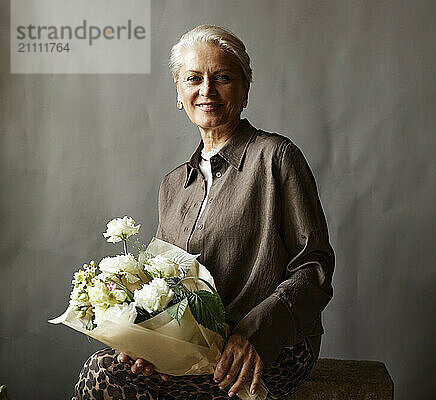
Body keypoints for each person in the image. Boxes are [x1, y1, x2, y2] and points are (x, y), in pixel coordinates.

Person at [72, 25, 335, 400]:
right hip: (198, 348)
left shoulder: (276, 157)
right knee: (109, 366)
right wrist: (148, 340)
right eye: (194, 78)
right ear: (179, 93)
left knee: (102, 375)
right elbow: (167, 289)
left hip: (272, 349)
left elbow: (315, 267)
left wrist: (255, 336)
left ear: (244, 90)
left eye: (223, 77)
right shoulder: (173, 185)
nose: (207, 90)